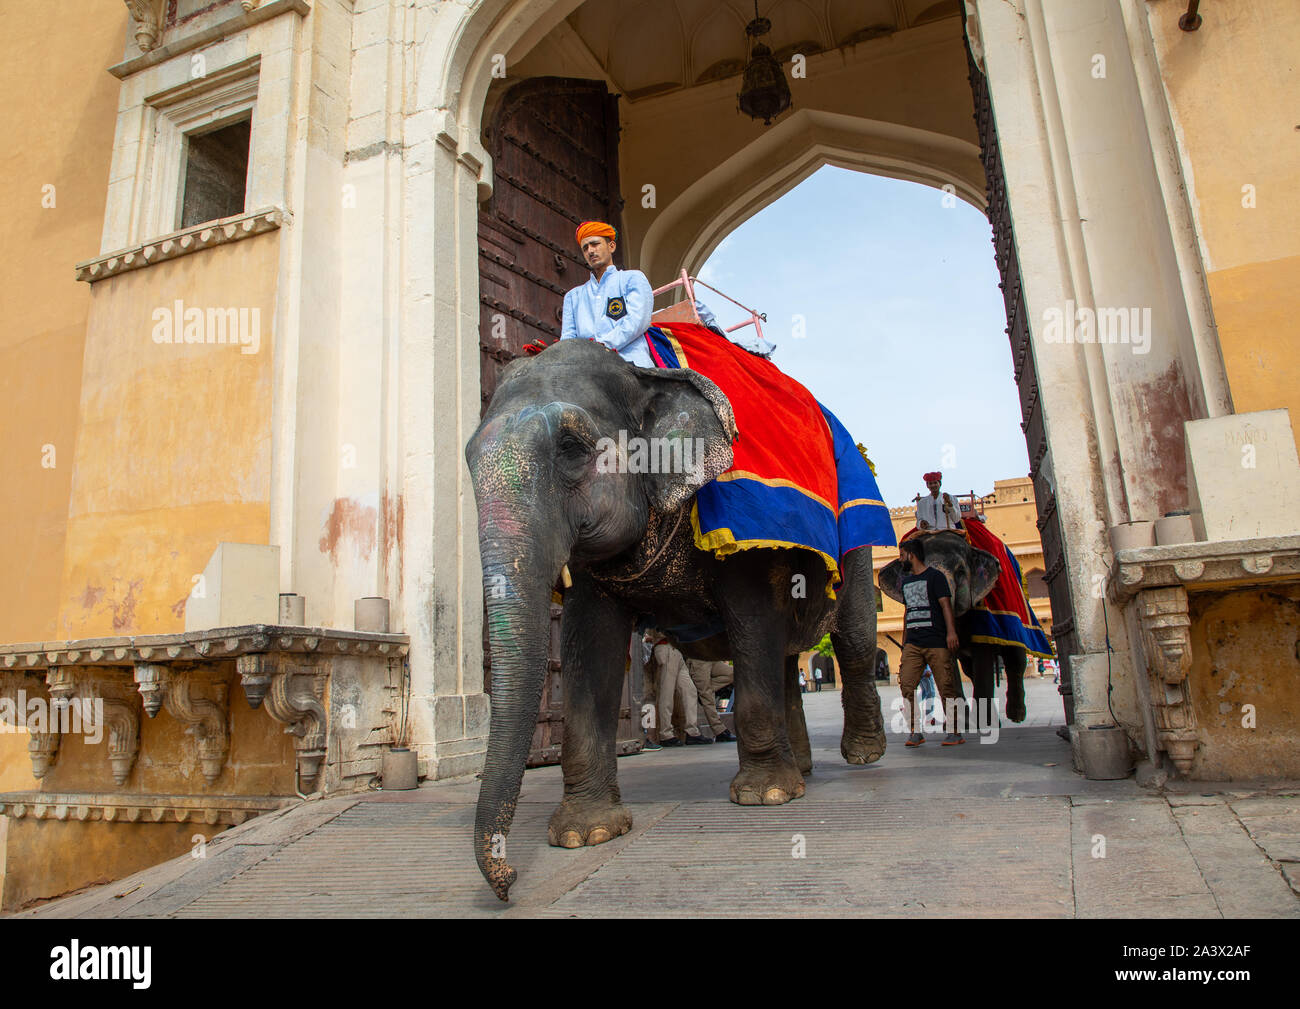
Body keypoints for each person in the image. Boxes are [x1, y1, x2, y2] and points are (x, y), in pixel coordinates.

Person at [552, 221, 654, 366]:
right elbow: (568, 340)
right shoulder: (573, 296)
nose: (590, 251)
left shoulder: (632, 278)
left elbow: (637, 321)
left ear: (611, 246)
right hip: (587, 370)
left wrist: (600, 347)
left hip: (631, 364)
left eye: (595, 244)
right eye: (585, 248)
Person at [896, 536, 964, 746]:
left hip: (936, 641)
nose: (900, 559)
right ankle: (915, 731)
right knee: (906, 684)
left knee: (946, 686)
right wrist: (905, 642)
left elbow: (945, 606)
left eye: (902, 555)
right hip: (913, 644)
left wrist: (951, 632)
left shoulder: (936, 577)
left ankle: (954, 730)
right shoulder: (907, 582)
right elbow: (908, 612)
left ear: (911, 555)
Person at [651, 634, 712, 746]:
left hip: (676, 649)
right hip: (665, 646)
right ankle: (665, 734)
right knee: (667, 693)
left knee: (690, 690)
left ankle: (692, 732)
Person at [686, 658, 736, 742]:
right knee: (707, 696)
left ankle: (702, 692)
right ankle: (720, 731)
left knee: (731, 673)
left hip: (710, 657)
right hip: (697, 658)